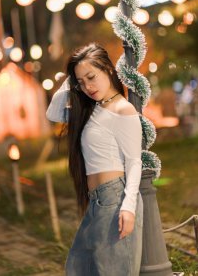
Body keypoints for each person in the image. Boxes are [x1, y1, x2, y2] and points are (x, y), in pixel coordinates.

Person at [46, 42, 143, 276]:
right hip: (97, 202)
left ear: (108, 69)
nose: (88, 86)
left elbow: (134, 162)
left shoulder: (123, 109)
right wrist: (72, 78)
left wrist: (128, 208)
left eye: (92, 77)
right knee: (80, 268)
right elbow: (53, 113)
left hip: (115, 199)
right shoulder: (91, 109)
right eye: (81, 82)